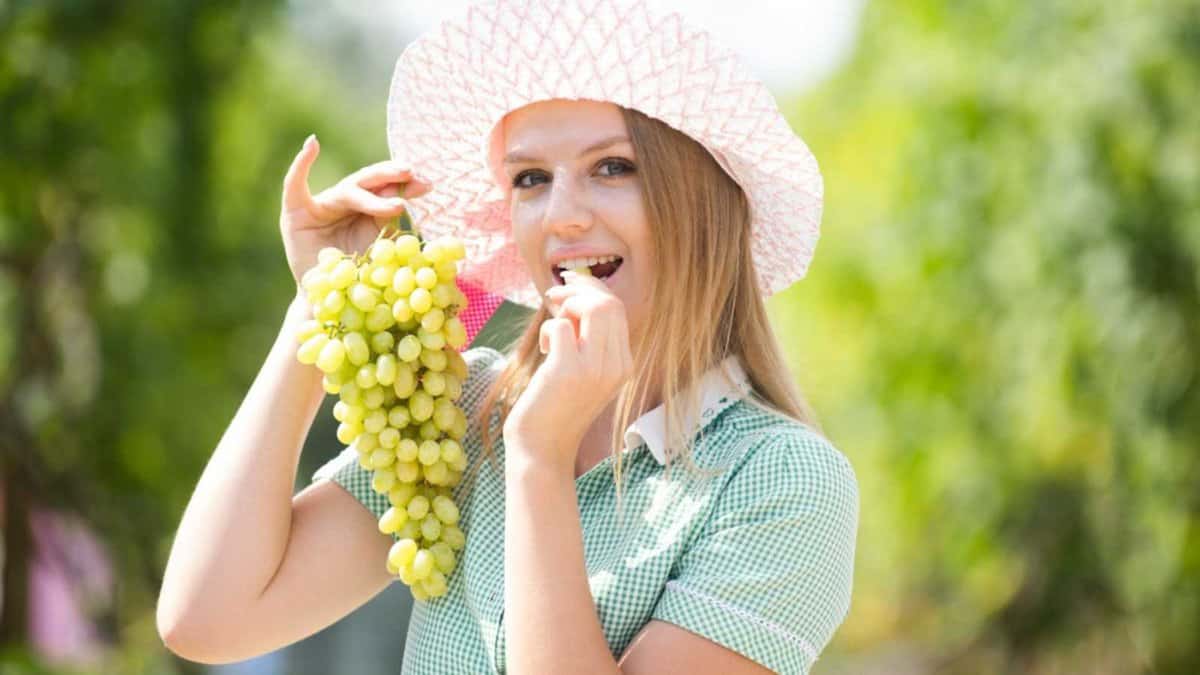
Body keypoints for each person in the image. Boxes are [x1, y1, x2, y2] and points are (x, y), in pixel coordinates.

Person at [157, 0, 859, 673]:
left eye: (612, 167)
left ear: (701, 198)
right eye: (530, 179)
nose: (562, 215)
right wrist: (321, 307)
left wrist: (539, 457)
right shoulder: (462, 412)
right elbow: (209, 618)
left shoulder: (779, 478)